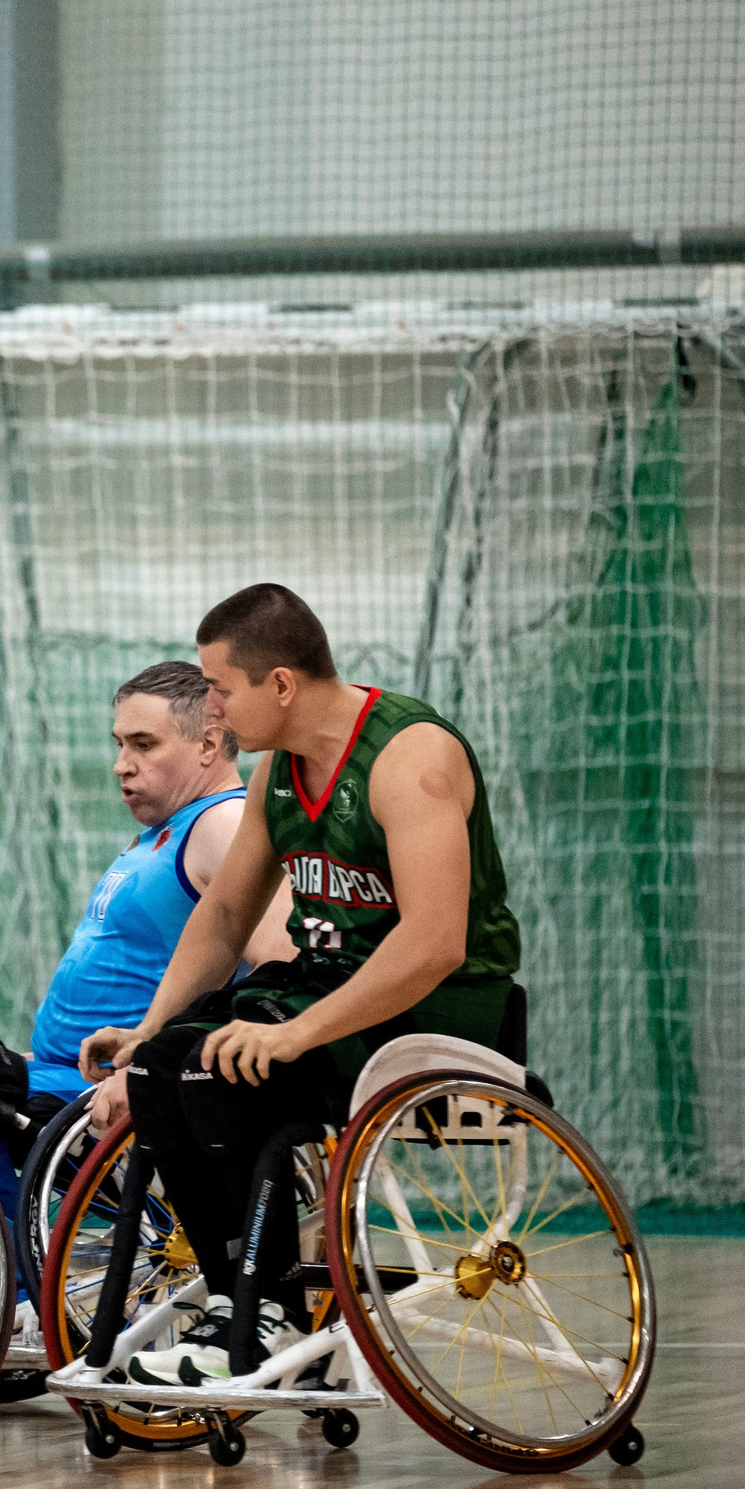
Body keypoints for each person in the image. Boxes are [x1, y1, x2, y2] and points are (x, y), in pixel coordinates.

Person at [79, 583, 524, 1384]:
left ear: (279, 683)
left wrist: (293, 1034)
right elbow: (221, 917)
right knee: (160, 1068)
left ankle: (273, 1313)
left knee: (230, 1070)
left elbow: (434, 943)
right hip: (328, 991)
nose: (211, 710)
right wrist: (151, 1025)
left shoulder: (410, 758)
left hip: (435, 1010)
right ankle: (238, 1308)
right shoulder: (277, 774)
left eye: (219, 688)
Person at [0, 661, 293, 1337]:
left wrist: (154, 1061)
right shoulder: (163, 833)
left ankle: (15, 1293)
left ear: (209, 743)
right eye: (119, 744)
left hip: (135, 1077)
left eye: (143, 744)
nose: (120, 765)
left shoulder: (221, 826)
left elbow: (274, 965)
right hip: (65, 1067)